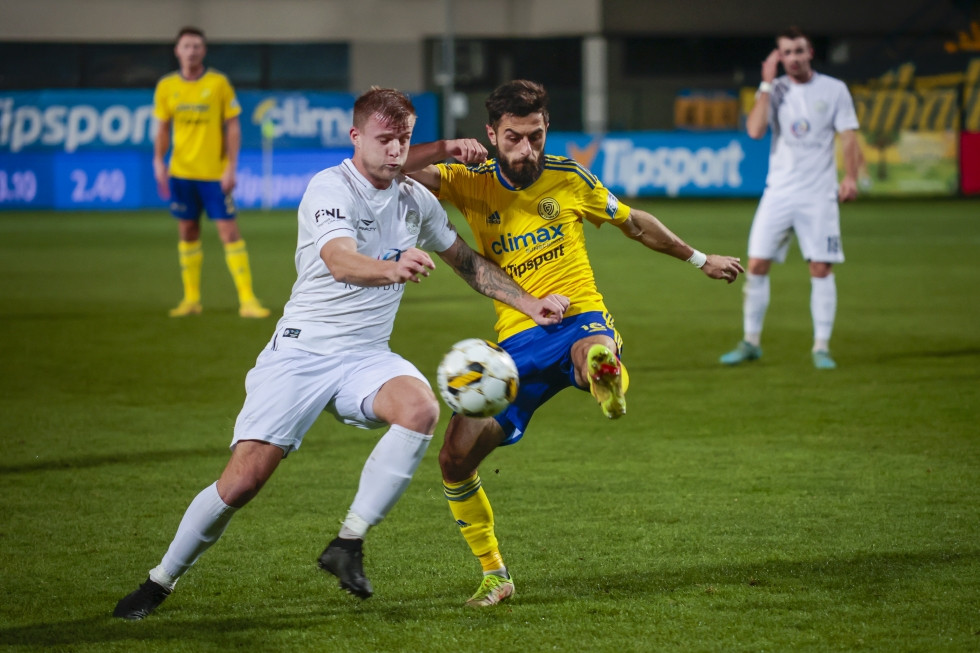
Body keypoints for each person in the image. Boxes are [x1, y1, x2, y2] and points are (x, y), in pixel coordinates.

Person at [113, 87, 569, 620]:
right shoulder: (330, 187)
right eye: (384, 140)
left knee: (419, 407)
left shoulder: (415, 199)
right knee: (243, 481)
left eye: (403, 139)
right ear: (356, 138)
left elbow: (468, 262)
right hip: (303, 352)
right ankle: (160, 580)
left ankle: (347, 543)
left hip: (366, 355)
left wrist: (529, 302)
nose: (396, 151)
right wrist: (392, 267)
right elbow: (339, 259)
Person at [405, 79, 745, 607]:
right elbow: (393, 165)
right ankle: (496, 574)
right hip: (515, 344)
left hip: (577, 316)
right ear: (491, 134)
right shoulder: (467, 180)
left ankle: (606, 378)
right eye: (514, 138)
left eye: (536, 136)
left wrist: (700, 259)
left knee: (591, 354)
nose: (528, 150)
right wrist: (447, 148)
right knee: (454, 459)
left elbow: (634, 224)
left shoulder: (567, 176)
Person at [719, 26, 861, 369]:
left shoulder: (834, 89)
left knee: (820, 267)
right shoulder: (775, 90)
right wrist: (766, 84)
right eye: (786, 53)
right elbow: (754, 131)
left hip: (819, 195)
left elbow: (849, 137)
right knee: (755, 265)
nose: (794, 58)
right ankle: (751, 342)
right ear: (778, 58)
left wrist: (851, 177)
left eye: (799, 51)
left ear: (810, 52)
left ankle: (821, 347)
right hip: (778, 192)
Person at [153, 26, 270, 318]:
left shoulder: (218, 84)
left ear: (203, 51)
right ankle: (191, 300)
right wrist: (158, 160)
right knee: (187, 230)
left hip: (214, 174)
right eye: (186, 46)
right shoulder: (166, 86)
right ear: (177, 51)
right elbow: (163, 128)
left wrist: (231, 166)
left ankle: (247, 300)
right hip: (181, 172)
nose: (191, 51)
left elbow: (233, 126)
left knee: (229, 231)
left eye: (196, 46)